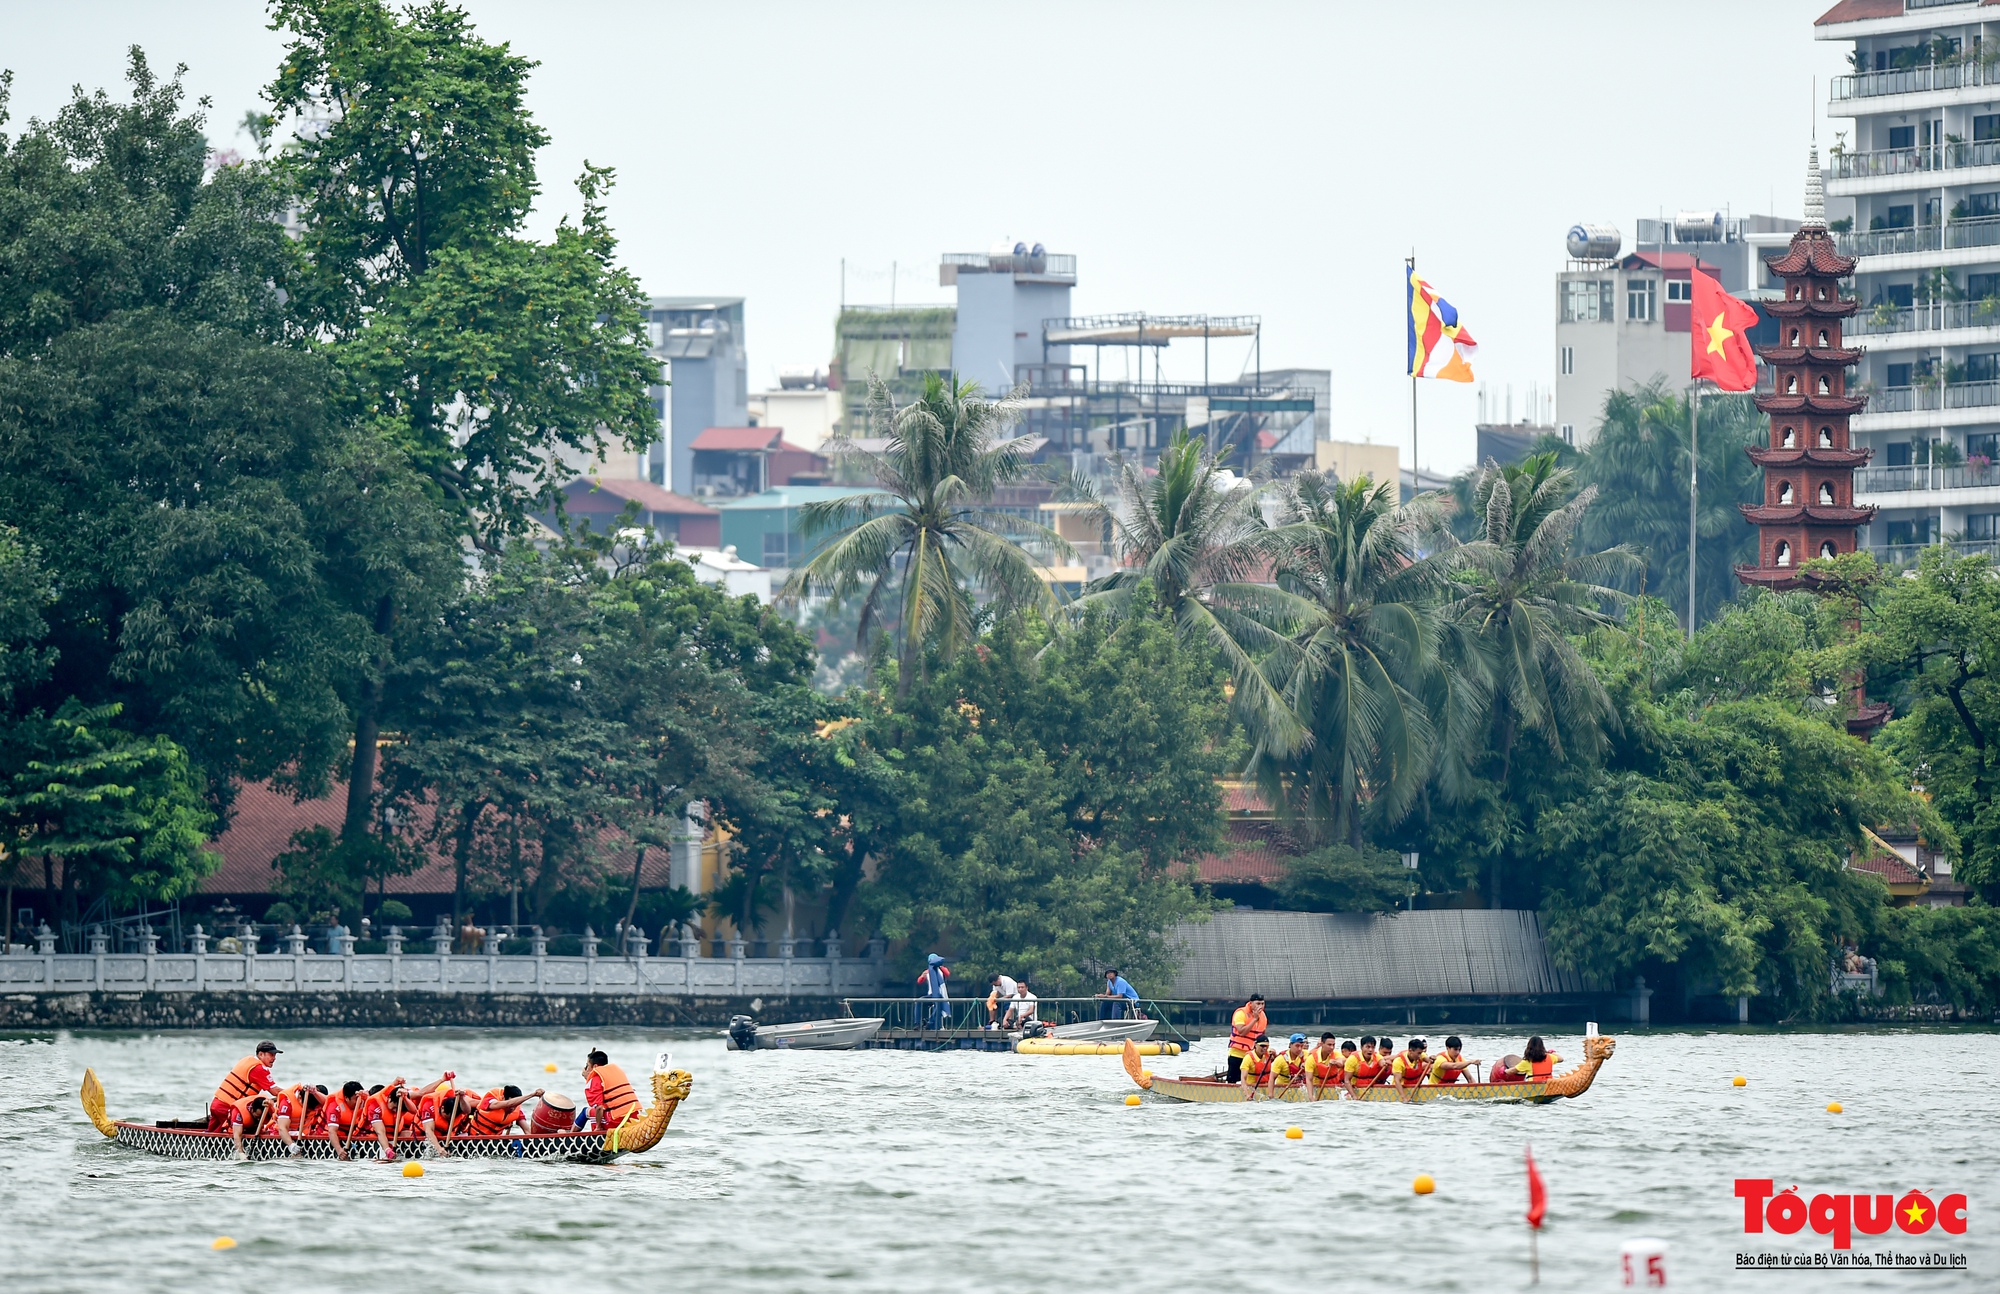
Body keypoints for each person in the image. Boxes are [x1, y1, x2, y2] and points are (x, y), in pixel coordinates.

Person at [208, 1041, 281, 1136]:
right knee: (250, 1131)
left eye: (275, 1055)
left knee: (213, 1133)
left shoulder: (248, 1059)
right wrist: (294, 1093)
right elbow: (275, 1091)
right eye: (271, 1055)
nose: (274, 1058)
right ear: (260, 1054)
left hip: (216, 1104)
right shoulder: (258, 1069)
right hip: (228, 1108)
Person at [582, 1050, 641, 1132]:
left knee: (586, 1112)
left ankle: (570, 1136)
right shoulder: (616, 1072)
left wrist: (598, 1128)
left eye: (587, 1066)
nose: (586, 1069)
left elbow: (599, 1108)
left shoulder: (595, 1079)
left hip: (616, 1120)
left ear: (595, 1067)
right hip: (633, 1118)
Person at [466, 1085, 544, 1136]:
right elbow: (508, 1104)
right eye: (512, 1104)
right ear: (503, 1098)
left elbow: (527, 1131)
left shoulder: (517, 1110)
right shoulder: (489, 1101)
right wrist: (532, 1095)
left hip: (494, 1142)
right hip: (472, 1137)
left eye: (515, 1105)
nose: (513, 1108)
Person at [1225, 993, 1267, 1084]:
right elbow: (1241, 1032)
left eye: (1262, 1004)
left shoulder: (1263, 1016)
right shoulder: (1241, 1013)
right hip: (1237, 1053)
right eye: (1258, 1003)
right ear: (1251, 1003)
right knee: (1233, 1080)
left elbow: (1262, 1037)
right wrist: (1255, 1019)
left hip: (1252, 1055)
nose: (1260, 1006)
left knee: (1252, 1079)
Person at [918, 953, 952, 1030]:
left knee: (938, 1005)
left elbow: (947, 973)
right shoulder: (928, 971)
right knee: (920, 1001)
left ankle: (932, 1023)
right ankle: (921, 1023)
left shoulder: (941, 970)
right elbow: (919, 981)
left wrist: (940, 966)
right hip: (931, 994)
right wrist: (923, 976)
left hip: (940, 994)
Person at [1306, 1033, 1345, 1099]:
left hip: (1334, 1086)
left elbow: (1341, 1062)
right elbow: (1309, 1079)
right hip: (1317, 1087)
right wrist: (1311, 1097)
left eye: (1333, 1045)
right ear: (1322, 1044)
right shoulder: (1311, 1058)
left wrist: (1335, 1062)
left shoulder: (1336, 1054)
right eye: (1329, 1045)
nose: (1332, 1047)